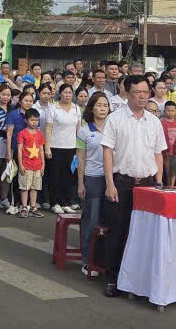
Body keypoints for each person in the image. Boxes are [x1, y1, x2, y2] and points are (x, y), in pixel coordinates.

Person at [100, 75, 165, 298]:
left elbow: (158, 154)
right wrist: (110, 184)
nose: (142, 96)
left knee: (145, 233)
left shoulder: (154, 121)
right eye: (137, 92)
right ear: (127, 93)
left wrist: (159, 182)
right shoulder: (115, 119)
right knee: (117, 231)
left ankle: (140, 279)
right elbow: (107, 152)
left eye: (146, 92)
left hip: (147, 185)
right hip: (122, 182)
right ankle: (113, 278)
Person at [76, 92, 109, 277]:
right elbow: (81, 159)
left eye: (105, 105)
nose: (102, 109)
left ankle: (104, 259)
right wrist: (81, 184)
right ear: (92, 108)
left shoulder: (113, 128)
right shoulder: (84, 131)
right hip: (93, 178)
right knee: (92, 219)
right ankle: (87, 260)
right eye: (99, 105)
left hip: (112, 178)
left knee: (108, 220)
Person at [44, 83, 82, 214]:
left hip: (71, 148)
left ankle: (66, 202)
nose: (67, 95)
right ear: (60, 93)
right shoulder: (53, 108)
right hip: (55, 147)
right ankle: (55, 203)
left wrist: (79, 149)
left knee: (69, 176)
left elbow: (79, 130)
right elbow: (48, 129)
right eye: (65, 92)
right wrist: (47, 148)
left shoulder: (76, 108)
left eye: (70, 92)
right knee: (55, 176)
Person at [17, 109, 46, 219]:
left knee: (35, 187)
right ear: (26, 120)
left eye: (36, 120)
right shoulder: (22, 133)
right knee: (25, 187)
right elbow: (19, 150)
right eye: (32, 120)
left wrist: (43, 164)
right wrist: (20, 164)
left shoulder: (39, 134)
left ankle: (33, 207)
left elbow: (41, 150)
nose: (34, 122)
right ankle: (24, 207)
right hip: (26, 165)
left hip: (37, 166)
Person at [159, 101, 176, 186]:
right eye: (168, 110)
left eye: (172, 110)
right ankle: (168, 187)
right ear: (164, 111)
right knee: (167, 172)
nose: (170, 112)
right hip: (165, 152)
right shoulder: (161, 123)